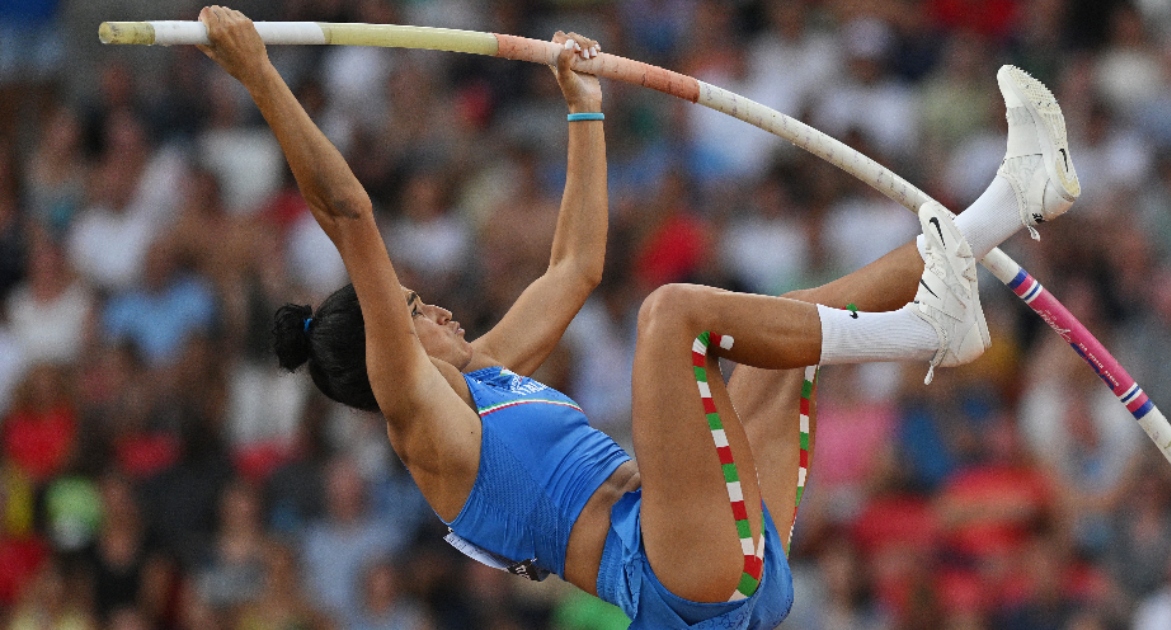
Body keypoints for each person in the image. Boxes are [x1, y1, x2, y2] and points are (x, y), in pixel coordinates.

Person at [195, 6, 1078, 628]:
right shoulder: (423, 420)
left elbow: (576, 267)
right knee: (672, 316)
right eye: (419, 311)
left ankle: (1009, 203)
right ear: (390, 347)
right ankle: (925, 334)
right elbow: (349, 214)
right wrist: (261, 76)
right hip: (673, 576)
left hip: (720, 561)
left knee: (784, 325)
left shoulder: (488, 373)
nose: (441, 310)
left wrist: (582, 105)